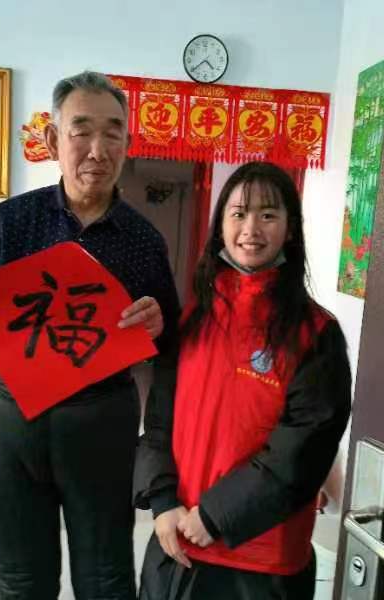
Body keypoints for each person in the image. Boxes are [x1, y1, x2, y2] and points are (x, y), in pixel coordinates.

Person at [0, 71, 180, 600]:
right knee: (23, 579)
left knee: (106, 578)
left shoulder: (143, 240)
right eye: (80, 131)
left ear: (127, 144)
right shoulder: (10, 222)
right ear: (52, 140)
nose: (97, 150)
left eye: (112, 133)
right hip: (10, 419)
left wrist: (158, 324)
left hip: (101, 422)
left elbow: (169, 339)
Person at [133, 161, 351, 599]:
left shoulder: (315, 333)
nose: (251, 228)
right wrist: (162, 502)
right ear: (220, 227)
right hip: (178, 545)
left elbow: (303, 451)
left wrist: (216, 516)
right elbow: (158, 422)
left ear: (290, 229)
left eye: (268, 214)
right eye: (238, 213)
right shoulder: (192, 319)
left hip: (261, 562)